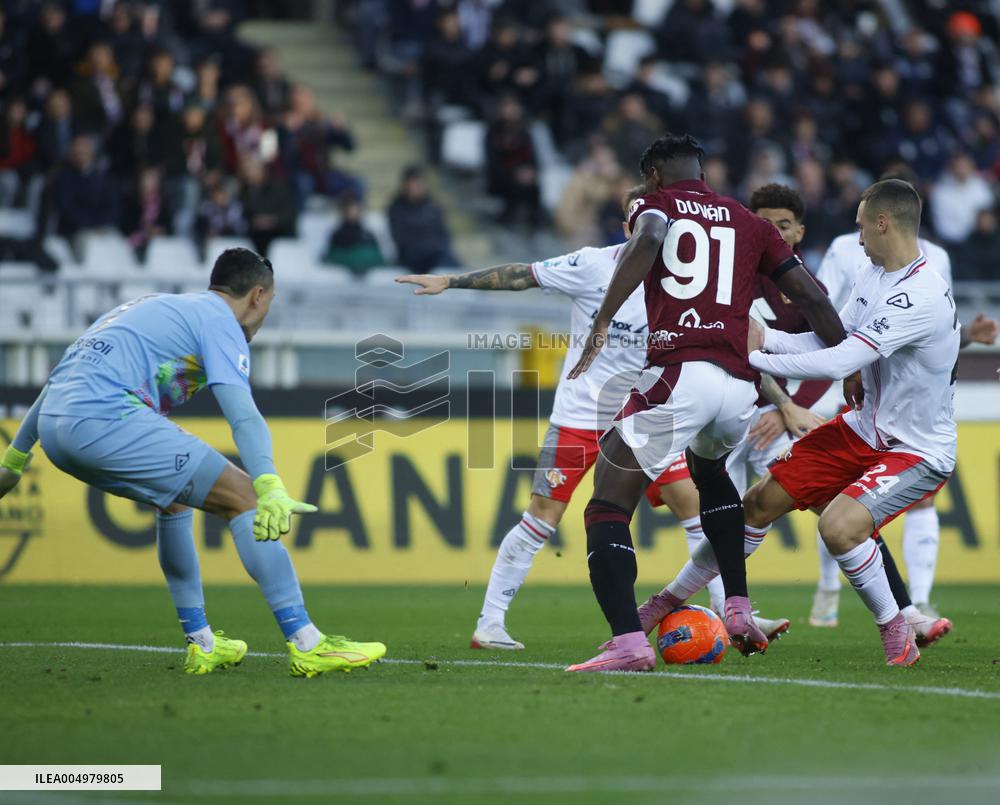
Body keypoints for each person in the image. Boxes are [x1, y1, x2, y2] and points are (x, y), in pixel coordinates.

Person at [396, 185, 787, 650]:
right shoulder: (592, 265)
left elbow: (730, 348)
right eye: (638, 220)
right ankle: (490, 622)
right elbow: (523, 275)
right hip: (581, 416)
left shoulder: (688, 282)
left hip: (649, 417)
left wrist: (783, 402)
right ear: (628, 225)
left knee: (695, 507)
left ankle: (731, 614)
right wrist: (453, 281)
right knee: (542, 516)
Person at [0, 249, 386, 677]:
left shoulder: (151, 308)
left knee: (175, 502)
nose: (264, 315)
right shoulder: (221, 322)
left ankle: (202, 642)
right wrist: (268, 482)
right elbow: (242, 413)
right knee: (243, 497)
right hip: (105, 419)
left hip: (58, 429)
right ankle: (308, 643)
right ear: (258, 295)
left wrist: (15, 459)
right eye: (269, 304)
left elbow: (61, 379)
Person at [564, 134, 845, 672]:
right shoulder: (750, 221)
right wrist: (851, 360)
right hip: (739, 387)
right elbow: (810, 296)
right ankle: (737, 610)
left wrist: (602, 319)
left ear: (652, 176)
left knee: (605, 505)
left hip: (679, 373)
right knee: (713, 477)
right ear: (703, 171)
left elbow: (646, 241)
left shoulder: (656, 205)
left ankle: (628, 643)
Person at [742, 179, 960, 666]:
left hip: (916, 448)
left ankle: (897, 631)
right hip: (864, 428)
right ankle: (680, 605)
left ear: (884, 223)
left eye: (862, 227)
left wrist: (755, 356)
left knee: (839, 527)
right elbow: (828, 341)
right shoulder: (874, 274)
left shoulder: (919, 295)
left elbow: (840, 362)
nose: (858, 239)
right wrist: (768, 337)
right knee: (757, 503)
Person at [812, 172, 998, 628]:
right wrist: (848, 364)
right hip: (859, 389)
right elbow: (823, 313)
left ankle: (917, 602)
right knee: (834, 501)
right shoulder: (844, 250)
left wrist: (965, 338)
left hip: (913, 408)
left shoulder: (937, 261)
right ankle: (829, 591)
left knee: (918, 503)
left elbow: (935, 334)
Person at [644, 183, 829, 627]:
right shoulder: (730, 272)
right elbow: (733, 348)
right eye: (764, 222)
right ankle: (732, 608)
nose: (773, 232)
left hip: (762, 414)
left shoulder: (801, 285)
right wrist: (781, 403)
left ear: (799, 232)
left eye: (782, 225)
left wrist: (791, 407)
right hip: (732, 403)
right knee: (714, 510)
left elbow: (829, 353)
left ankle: (901, 609)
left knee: (830, 502)